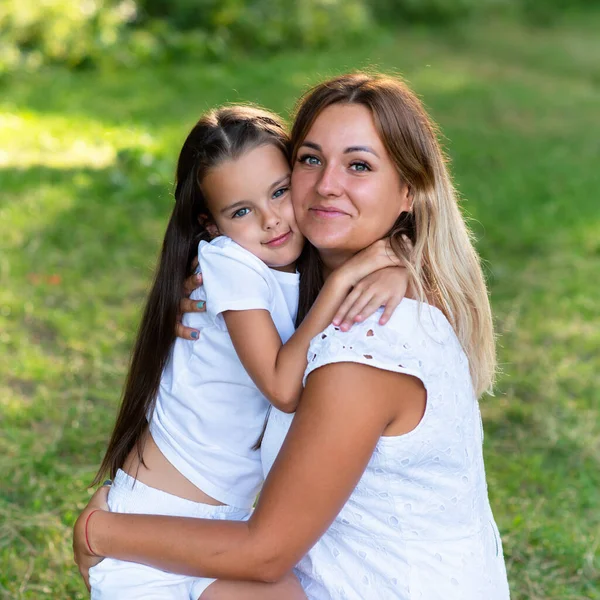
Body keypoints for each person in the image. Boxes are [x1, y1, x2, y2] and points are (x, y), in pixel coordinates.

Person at [74, 73, 511, 600]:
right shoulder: (328, 293)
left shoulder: (367, 343)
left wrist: (99, 532)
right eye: (310, 159)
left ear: (409, 193)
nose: (327, 184)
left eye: (359, 165)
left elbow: (265, 553)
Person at [84, 104, 408, 599]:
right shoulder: (229, 263)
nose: (272, 219)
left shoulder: (288, 267)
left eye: (279, 192)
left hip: (221, 529)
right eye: (241, 211)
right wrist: (343, 282)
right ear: (210, 225)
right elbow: (282, 387)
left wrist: (396, 267)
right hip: (156, 531)